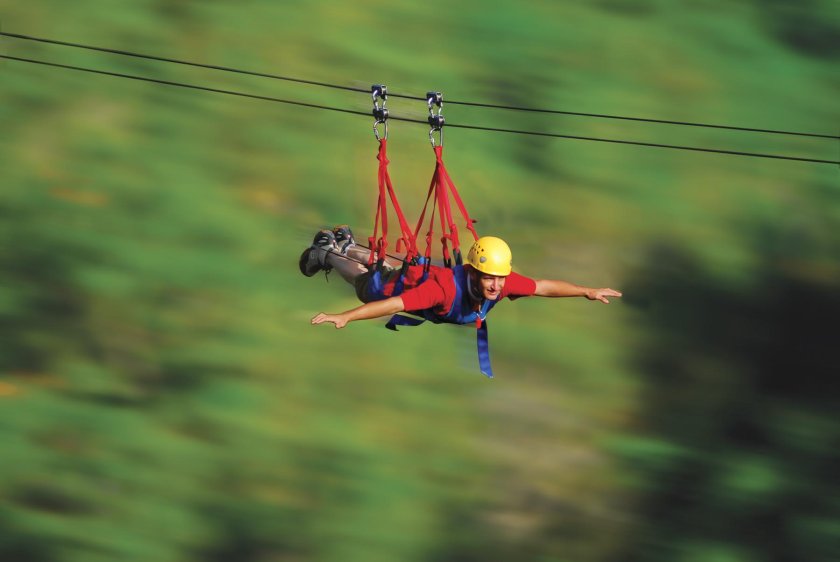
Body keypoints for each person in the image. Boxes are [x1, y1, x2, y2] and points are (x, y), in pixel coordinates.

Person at [300, 225, 622, 332]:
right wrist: (345, 317)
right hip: (401, 287)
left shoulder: (502, 281)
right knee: (368, 286)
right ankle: (328, 253)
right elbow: (391, 305)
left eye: (499, 279)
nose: (496, 286)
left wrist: (586, 291)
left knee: (389, 266)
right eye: (490, 280)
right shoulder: (440, 292)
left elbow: (543, 287)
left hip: (416, 272)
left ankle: (347, 244)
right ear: (475, 272)